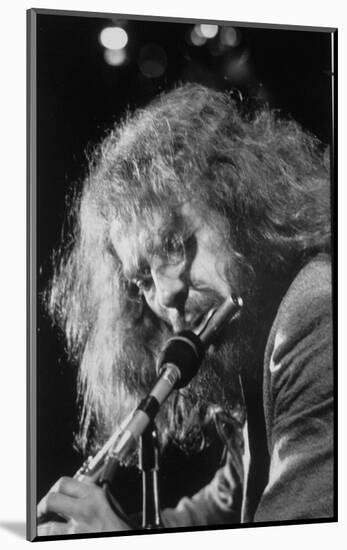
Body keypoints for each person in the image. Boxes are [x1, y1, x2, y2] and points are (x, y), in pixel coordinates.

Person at [37, 83, 333, 535]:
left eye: (175, 244)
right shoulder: (250, 344)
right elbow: (227, 503)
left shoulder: (316, 315)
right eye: (142, 279)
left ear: (239, 209)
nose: (166, 295)